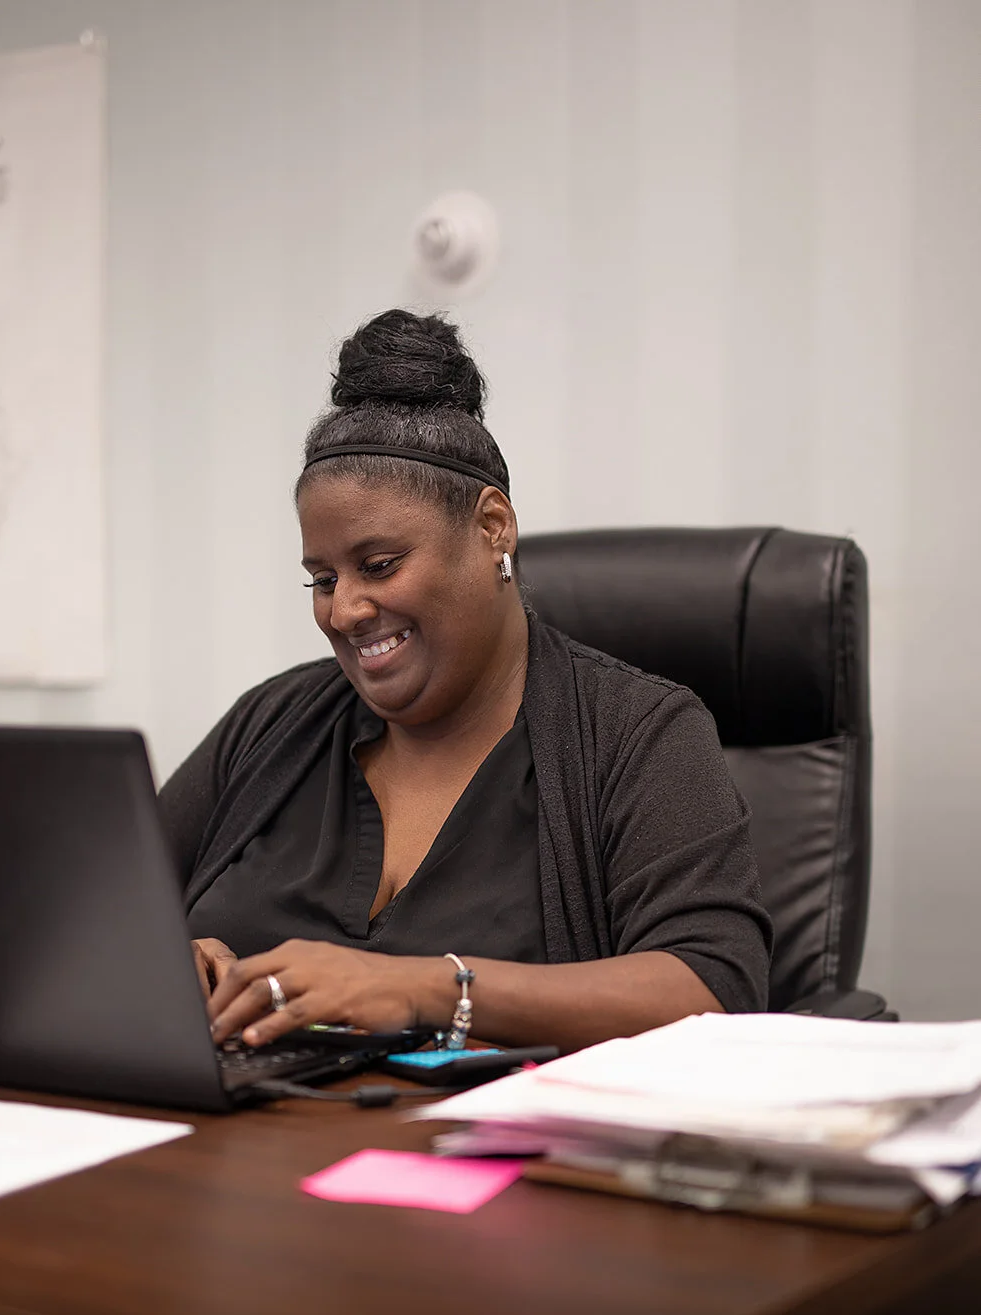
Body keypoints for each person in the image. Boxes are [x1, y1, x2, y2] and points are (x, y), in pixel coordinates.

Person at [159, 309, 771, 1054]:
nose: (345, 610)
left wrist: (424, 989)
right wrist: (165, 960)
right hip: (237, 1121)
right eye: (323, 579)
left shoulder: (635, 732)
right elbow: (98, 912)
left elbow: (713, 987)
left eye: (379, 565)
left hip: (508, 1128)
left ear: (492, 528)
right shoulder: (272, 723)